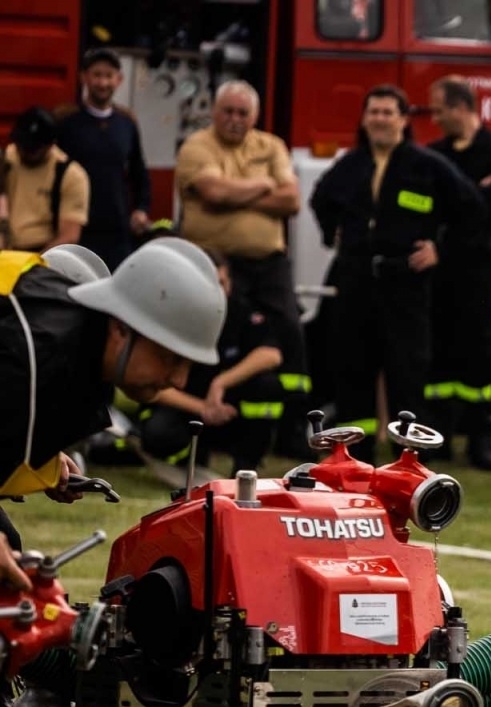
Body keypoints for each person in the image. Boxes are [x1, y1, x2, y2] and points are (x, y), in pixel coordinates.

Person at [1, 238, 225, 590]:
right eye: (170, 357)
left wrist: (41, 455)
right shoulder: (32, 348)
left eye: (188, 365)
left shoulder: (74, 347)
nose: (178, 380)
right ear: (121, 327)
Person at [309, 84, 485, 457]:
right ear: (364, 119)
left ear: (404, 120)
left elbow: (473, 210)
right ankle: (356, 457)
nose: (380, 119)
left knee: (407, 372)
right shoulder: (350, 164)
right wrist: (333, 233)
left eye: (389, 112)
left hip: (405, 285)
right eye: (374, 112)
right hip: (356, 281)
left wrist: (442, 249)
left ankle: (407, 458)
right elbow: (320, 199)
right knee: (353, 371)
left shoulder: (427, 166)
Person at [173, 80, 308, 453]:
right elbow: (213, 193)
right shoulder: (198, 146)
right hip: (214, 263)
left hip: (269, 263)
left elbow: (292, 199)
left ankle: (295, 428)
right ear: (214, 113)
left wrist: (235, 194)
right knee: (208, 338)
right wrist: (264, 185)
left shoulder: (272, 146)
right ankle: (202, 423)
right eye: (228, 111)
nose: (234, 119)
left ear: (255, 116)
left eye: (242, 113)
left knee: (290, 336)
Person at [427, 75, 491, 470]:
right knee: (437, 355)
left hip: (478, 268)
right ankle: (436, 437)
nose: (435, 116)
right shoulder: (434, 153)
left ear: (461, 108)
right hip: (439, 268)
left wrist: (464, 202)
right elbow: (434, 209)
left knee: (479, 353)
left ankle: (480, 439)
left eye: (440, 108)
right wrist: (472, 195)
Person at [140, 249, 288, 473]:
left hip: (229, 410)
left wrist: (220, 383)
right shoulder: (177, 318)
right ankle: (188, 459)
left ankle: (247, 464)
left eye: (223, 283)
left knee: (268, 386)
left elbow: (271, 354)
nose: (219, 291)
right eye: (211, 284)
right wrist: (202, 408)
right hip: (188, 408)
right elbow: (154, 385)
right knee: (158, 433)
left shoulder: (240, 310)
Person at [53, 48, 150, 268]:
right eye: (97, 75)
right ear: (84, 77)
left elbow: (139, 172)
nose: (102, 82)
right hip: (76, 231)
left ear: (119, 80)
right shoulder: (65, 120)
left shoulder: (127, 122)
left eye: (109, 76)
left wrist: (141, 208)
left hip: (118, 233)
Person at [1, 107, 89, 252]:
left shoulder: (71, 175)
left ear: (50, 145)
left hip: (42, 252)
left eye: (32, 149)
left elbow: (69, 236)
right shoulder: (7, 159)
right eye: (21, 145)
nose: (24, 152)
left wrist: (36, 264)